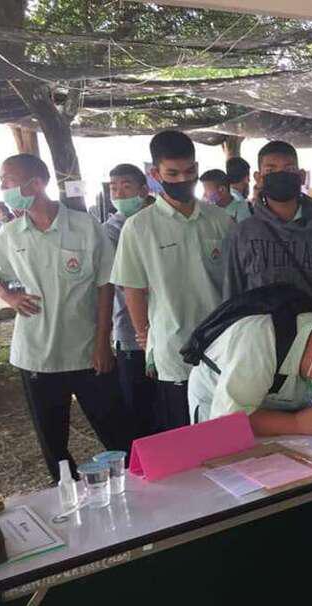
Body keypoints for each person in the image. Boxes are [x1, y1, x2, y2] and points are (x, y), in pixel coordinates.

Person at [0, 154, 133, 480]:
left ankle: (137, 490)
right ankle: (66, 494)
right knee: (53, 443)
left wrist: (102, 343)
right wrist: (9, 297)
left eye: (7, 180)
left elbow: (105, 284)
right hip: (36, 355)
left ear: (36, 184)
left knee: (117, 432)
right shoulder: (10, 234)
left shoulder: (85, 226)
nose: (3, 187)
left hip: (87, 350)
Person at [111, 130, 235, 431]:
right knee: (183, 430)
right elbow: (133, 288)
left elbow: (235, 280)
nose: (183, 179)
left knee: (225, 427)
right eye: (172, 173)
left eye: (190, 171)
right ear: (155, 174)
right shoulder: (138, 228)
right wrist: (145, 336)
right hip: (174, 348)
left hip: (224, 344)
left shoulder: (221, 220)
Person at [224, 140, 312, 322]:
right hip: (261, 337)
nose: (281, 175)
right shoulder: (244, 234)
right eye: (270, 170)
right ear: (259, 178)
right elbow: (232, 300)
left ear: (301, 176)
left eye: (289, 169)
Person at [189, 314, 312, 435]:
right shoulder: (258, 345)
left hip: (274, 399)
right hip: (221, 401)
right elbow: (230, 422)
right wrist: (295, 424)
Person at [105, 163, 158, 439]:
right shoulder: (110, 231)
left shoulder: (157, 222)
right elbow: (127, 282)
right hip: (131, 334)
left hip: (166, 329)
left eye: (126, 187)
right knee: (139, 408)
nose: (119, 193)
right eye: (114, 188)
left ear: (143, 190)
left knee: (166, 406)